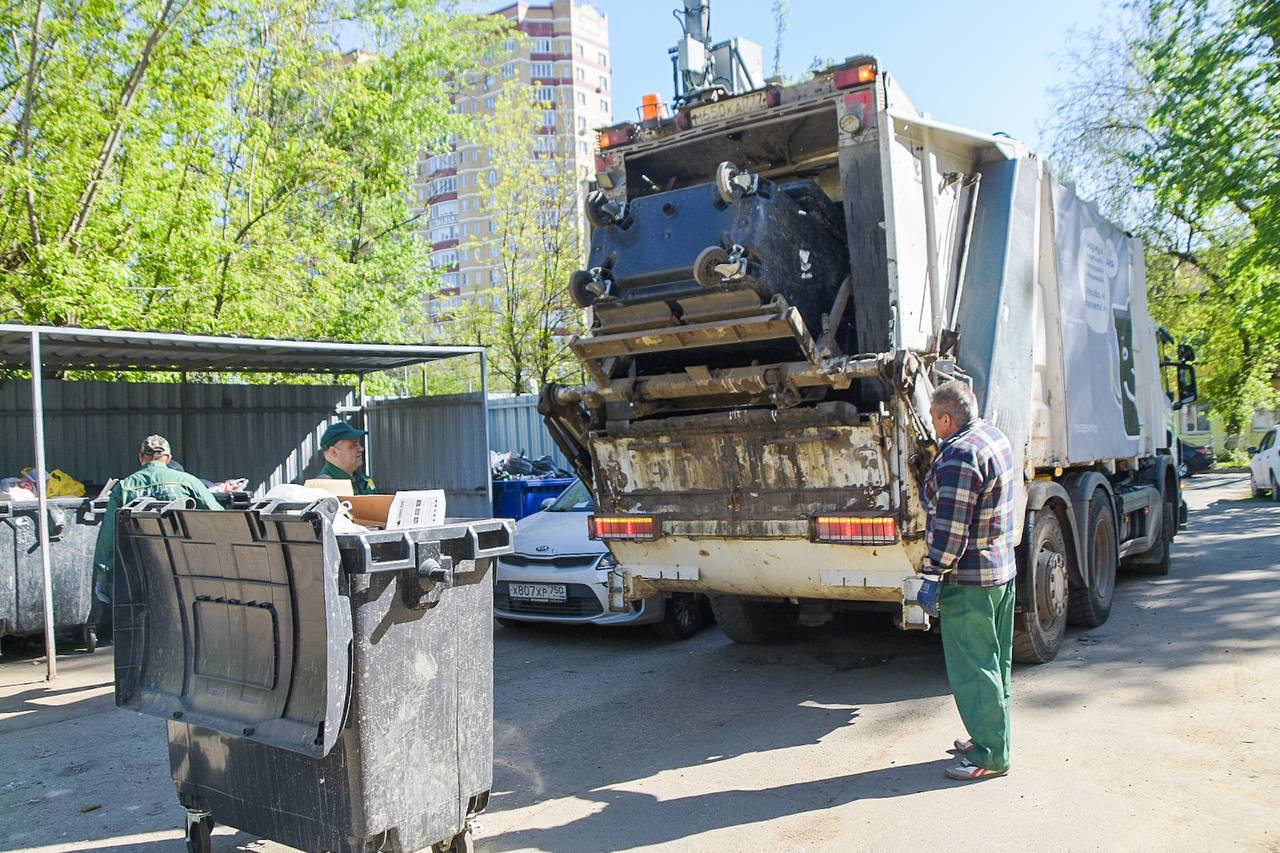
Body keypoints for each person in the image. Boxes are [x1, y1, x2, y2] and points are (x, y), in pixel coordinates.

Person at [916, 380, 1021, 781]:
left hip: (969, 580)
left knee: (974, 669)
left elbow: (950, 531)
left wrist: (932, 573)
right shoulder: (994, 437)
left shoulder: (959, 455)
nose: (932, 427)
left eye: (933, 419)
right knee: (996, 664)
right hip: (1000, 572)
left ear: (946, 417)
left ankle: (990, 754)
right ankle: (992, 736)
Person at [90, 435, 223, 637]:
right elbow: (220, 517)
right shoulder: (188, 482)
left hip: (138, 567)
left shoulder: (125, 486)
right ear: (168, 458)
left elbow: (108, 536)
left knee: (145, 623)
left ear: (141, 457)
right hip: (183, 565)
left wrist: (103, 575)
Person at [315, 421, 376, 495]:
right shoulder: (323, 486)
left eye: (359, 444)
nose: (361, 449)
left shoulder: (364, 479)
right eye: (353, 445)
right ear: (334, 452)